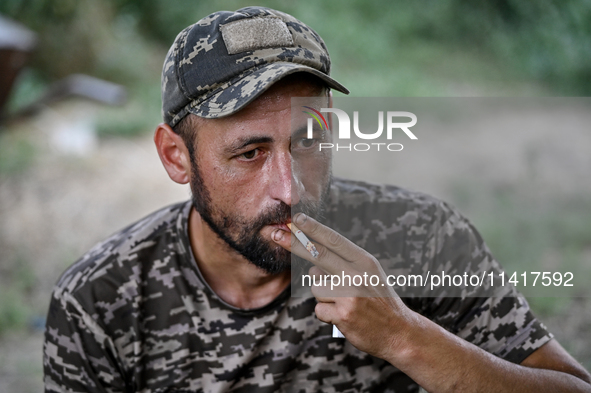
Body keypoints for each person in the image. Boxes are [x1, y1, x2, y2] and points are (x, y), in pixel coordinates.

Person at [43, 6, 591, 393]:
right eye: (250, 153)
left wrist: (406, 337)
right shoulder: (101, 304)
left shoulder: (422, 238)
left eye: (308, 143)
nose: (290, 188)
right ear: (175, 157)